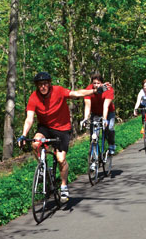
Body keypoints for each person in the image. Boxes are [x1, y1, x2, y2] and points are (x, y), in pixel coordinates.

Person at [19, 71, 99, 202]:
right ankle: (43, 167)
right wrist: (23, 135)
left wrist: (94, 91)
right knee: (35, 143)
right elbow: (29, 119)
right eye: (40, 85)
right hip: (45, 127)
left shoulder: (58, 91)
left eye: (45, 84)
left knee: (61, 159)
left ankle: (63, 186)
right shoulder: (34, 97)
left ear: (49, 84)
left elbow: (76, 93)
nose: (43, 87)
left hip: (62, 128)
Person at [81, 73, 116, 162]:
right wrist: (85, 118)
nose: (96, 85)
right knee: (94, 136)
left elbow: (106, 106)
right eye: (94, 83)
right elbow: (87, 106)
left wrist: (104, 119)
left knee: (110, 128)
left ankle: (111, 144)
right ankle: (95, 156)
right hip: (95, 113)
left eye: (98, 83)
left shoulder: (108, 89)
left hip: (108, 112)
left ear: (102, 83)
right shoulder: (89, 90)